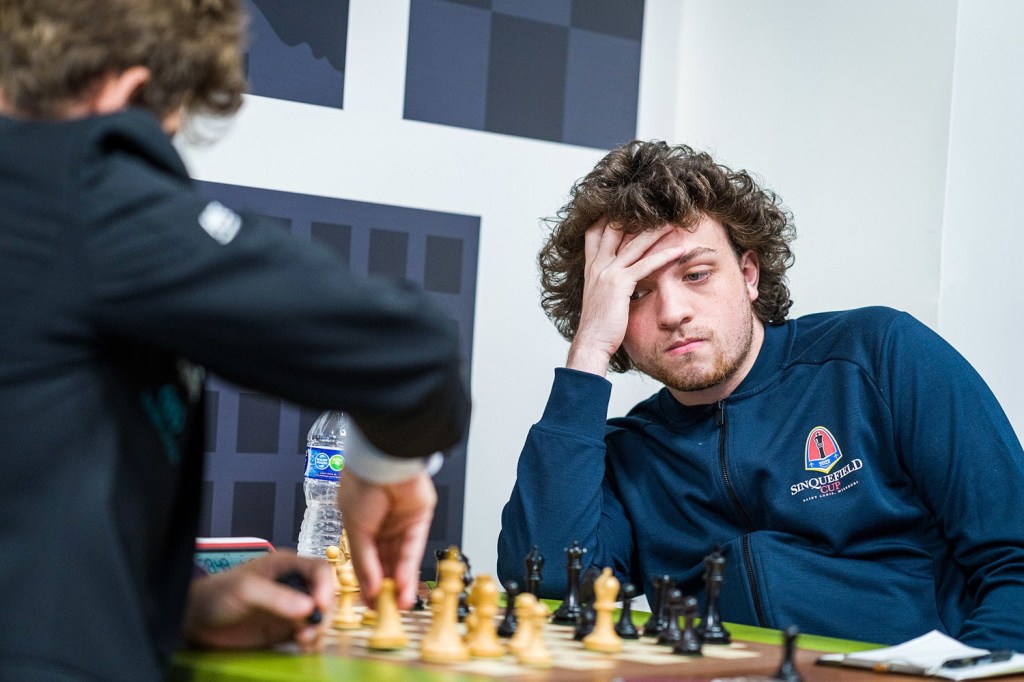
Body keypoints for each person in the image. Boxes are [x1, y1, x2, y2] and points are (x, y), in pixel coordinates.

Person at [0, 1, 469, 680]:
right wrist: (387, 466)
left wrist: (181, 607)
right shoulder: (69, 181)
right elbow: (414, 351)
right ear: (126, 92)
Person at [497, 139, 1024, 650]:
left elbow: (1014, 561)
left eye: (697, 274)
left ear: (748, 274)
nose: (673, 312)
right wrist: (587, 353)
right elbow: (543, 582)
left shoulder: (878, 356)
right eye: (635, 293)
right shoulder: (625, 454)